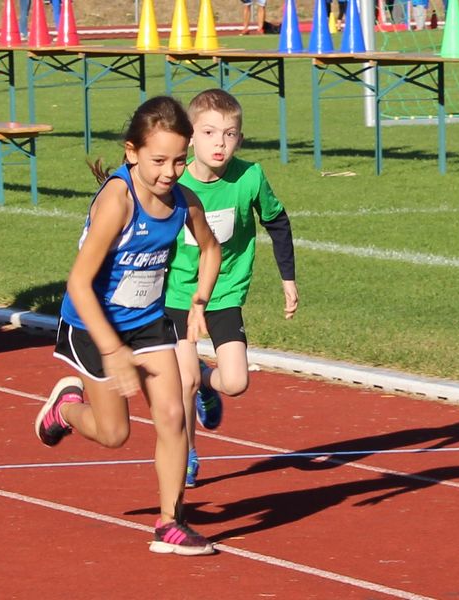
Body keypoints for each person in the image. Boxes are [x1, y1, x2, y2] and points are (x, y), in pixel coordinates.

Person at [34, 96, 222, 556]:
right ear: (132, 152)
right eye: (159, 160)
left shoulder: (184, 201)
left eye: (179, 160)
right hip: (93, 324)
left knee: (173, 416)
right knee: (114, 434)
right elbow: (78, 283)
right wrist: (113, 350)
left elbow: (210, 248)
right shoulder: (118, 202)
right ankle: (65, 410)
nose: (170, 172)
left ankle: (170, 523)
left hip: (147, 323)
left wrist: (200, 301)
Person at [164, 89, 298, 488]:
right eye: (209, 133)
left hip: (225, 292)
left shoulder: (249, 177)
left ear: (240, 138)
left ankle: (209, 383)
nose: (219, 143)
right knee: (183, 379)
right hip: (178, 293)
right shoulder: (173, 181)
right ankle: (188, 454)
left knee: (236, 382)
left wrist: (288, 278)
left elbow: (277, 221)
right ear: (190, 137)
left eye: (229, 133)